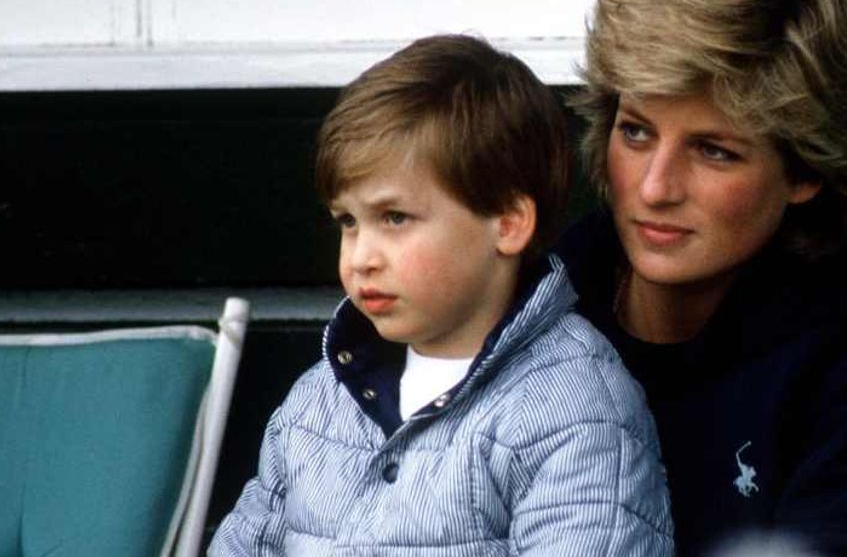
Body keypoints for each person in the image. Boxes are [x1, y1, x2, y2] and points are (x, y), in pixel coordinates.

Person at [557, 0, 847, 556]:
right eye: (636, 132)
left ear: (805, 170)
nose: (654, 188)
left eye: (713, 151)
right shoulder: (544, 299)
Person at [211, 35, 673, 556]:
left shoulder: (572, 410)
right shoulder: (318, 402)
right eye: (348, 222)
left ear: (508, 222)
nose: (362, 256)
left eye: (395, 218)